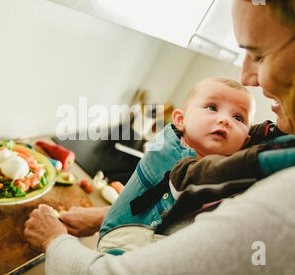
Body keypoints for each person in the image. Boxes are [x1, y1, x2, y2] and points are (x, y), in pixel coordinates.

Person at [24, 0, 295, 275]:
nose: (247, 78)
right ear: (180, 121)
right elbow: (193, 222)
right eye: (212, 107)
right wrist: (109, 216)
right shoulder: (288, 148)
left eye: (259, 54)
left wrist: (54, 241)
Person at [97, 77, 261, 254]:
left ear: (244, 142)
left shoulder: (226, 177)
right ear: (180, 120)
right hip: (121, 243)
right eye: (212, 108)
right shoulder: (167, 149)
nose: (225, 120)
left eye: (238, 117)